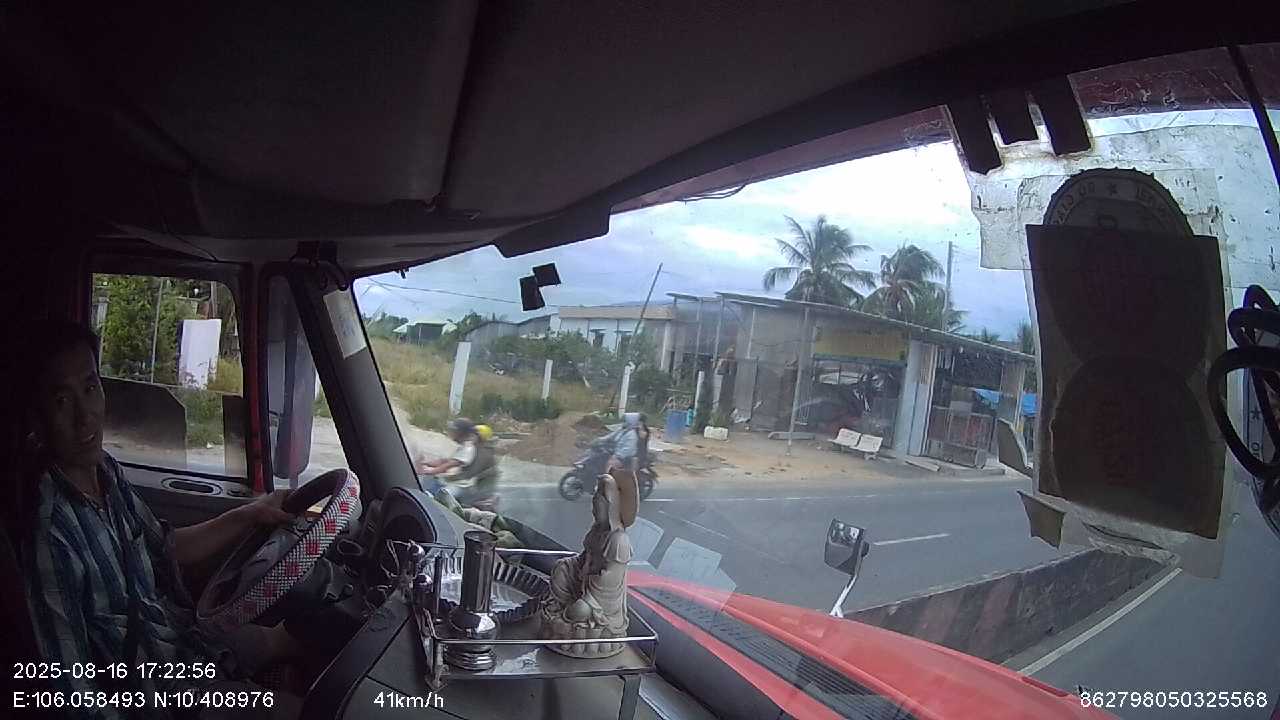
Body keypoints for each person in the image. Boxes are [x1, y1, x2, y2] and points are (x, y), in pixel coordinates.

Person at [14, 321, 303, 719]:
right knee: (300, 711)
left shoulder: (106, 473)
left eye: (90, 388)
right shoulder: (50, 535)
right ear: (37, 418)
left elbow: (165, 546)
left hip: (182, 642)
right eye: (62, 401)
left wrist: (251, 513)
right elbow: (71, 691)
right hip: (161, 696)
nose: (85, 417)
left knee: (294, 637)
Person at [419, 417, 499, 507]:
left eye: (475, 435)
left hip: (462, 486)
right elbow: (447, 461)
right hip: (461, 483)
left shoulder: (471, 450)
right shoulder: (469, 448)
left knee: (441, 498)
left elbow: (450, 465)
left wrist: (431, 471)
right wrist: (427, 463)